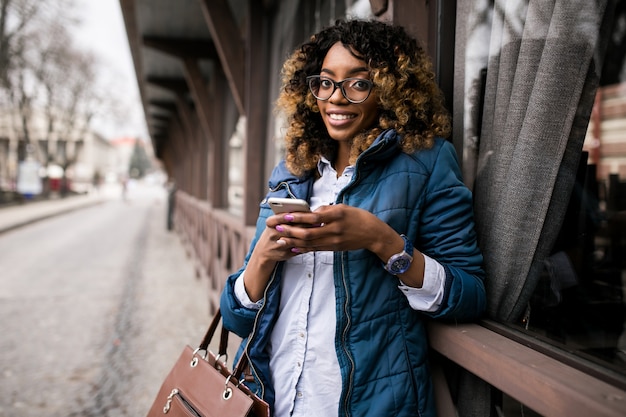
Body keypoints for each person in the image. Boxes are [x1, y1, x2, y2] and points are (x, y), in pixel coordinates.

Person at [220, 19, 486, 417]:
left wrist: (381, 241)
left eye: (357, 83)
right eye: (325, 82)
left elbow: (470, 293)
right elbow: (236, 318)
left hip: (367, 404)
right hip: (272, 398)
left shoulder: (427, 163)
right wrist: (261, 258)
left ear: (391, 89)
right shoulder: (292, 171)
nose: (336, 98)